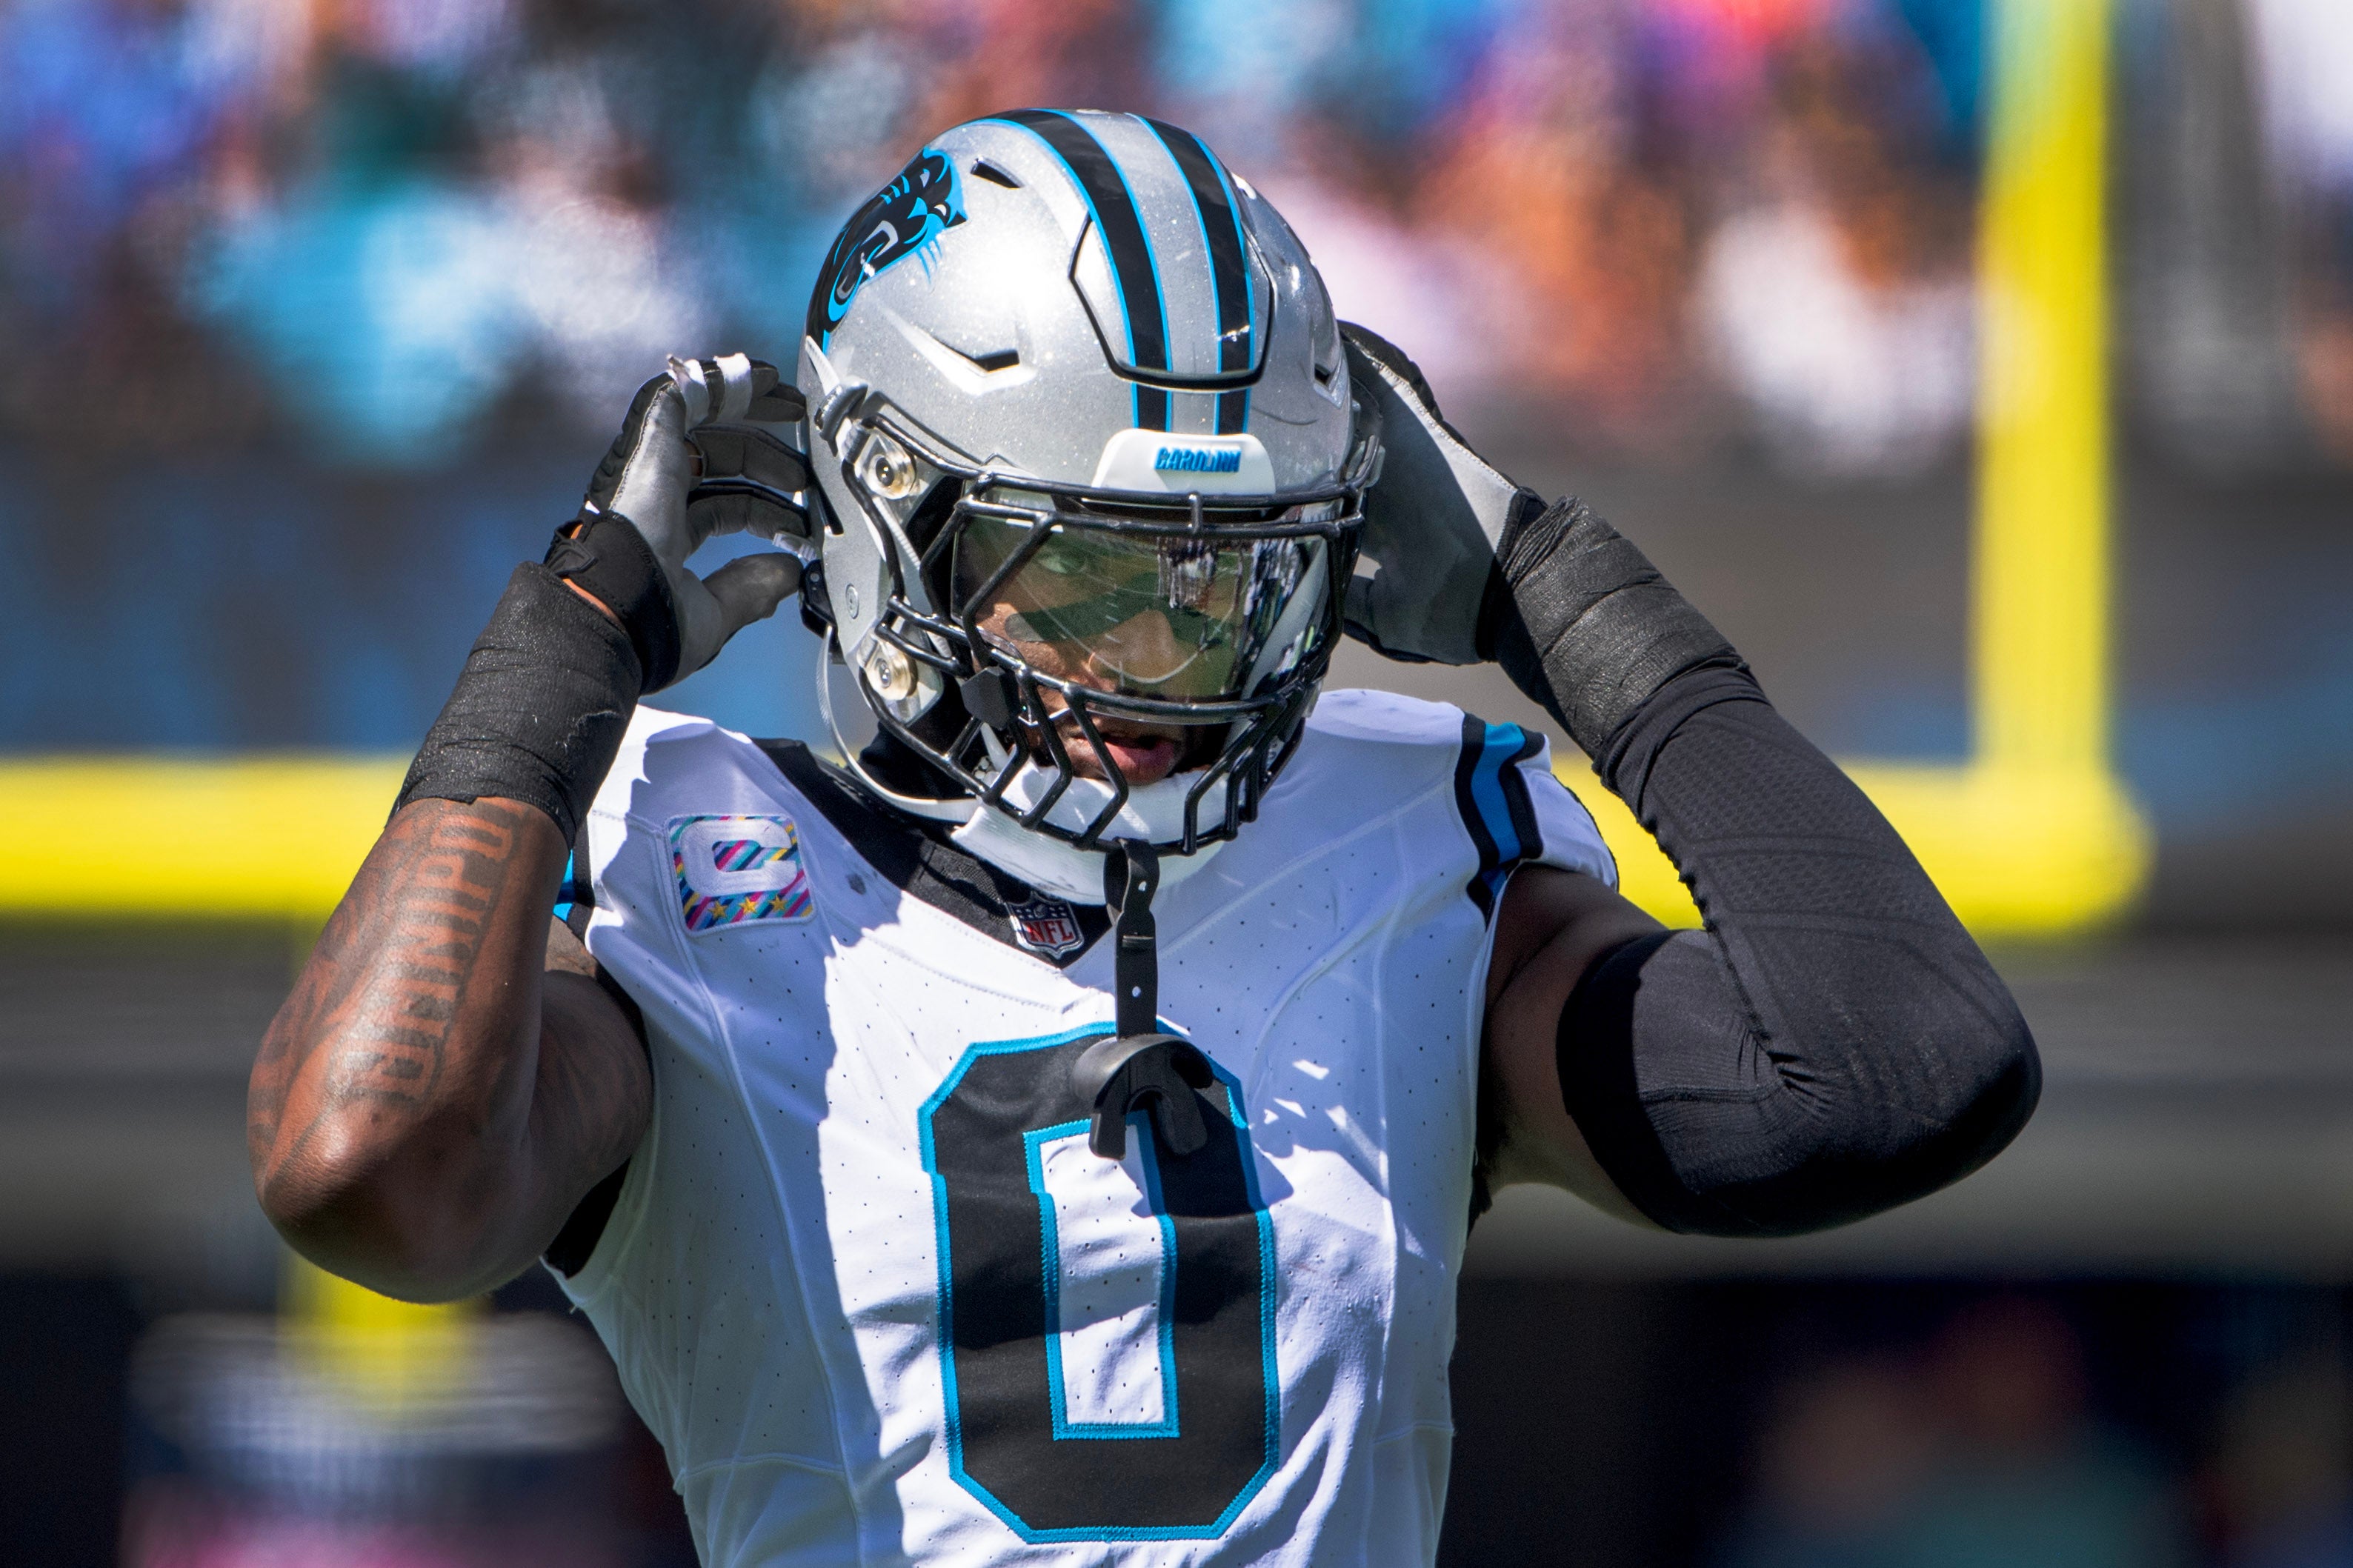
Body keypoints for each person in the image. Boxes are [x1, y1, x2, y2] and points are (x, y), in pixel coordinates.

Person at [247, 109, 2040, 1566]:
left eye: (1233, 577)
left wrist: (1563, 592)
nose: (1167, 661)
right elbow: (363, 1168)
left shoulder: (1415, 846)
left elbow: (1889, 1069)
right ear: (889, 526)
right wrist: (546, 669)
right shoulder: (684, 856)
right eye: (1091, 573)